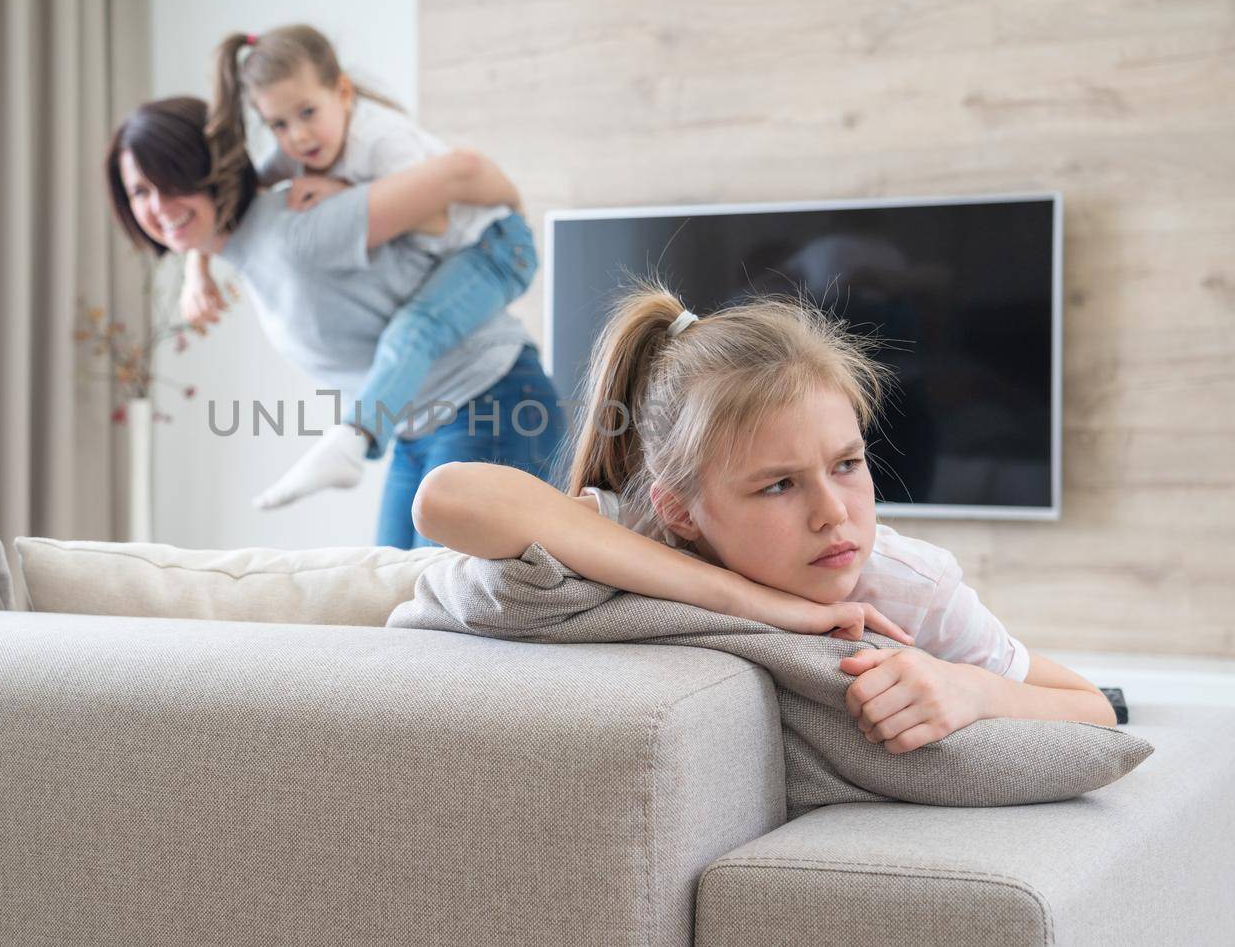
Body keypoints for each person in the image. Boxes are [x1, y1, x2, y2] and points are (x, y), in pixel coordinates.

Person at [412, 283, 1116, 753]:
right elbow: (444, 498)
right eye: (779, 484)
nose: (834, 512)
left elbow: (1095, 710)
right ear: (679, 511)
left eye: (846, 463)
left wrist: (977, 690)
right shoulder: (640, 532)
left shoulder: (907, 586)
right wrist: (758, 604)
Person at [105, 96, 564, 549]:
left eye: (172, 181)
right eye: (140, 192)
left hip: (491, 404)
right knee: (393, 604)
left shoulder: (301, 226)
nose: (159, 206)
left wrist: (513, 219)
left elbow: (460, 176)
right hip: (414, 425)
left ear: (211, 169)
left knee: (445, 611)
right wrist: (195, 264)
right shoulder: (251, 244)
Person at [180, 25, 538, 511]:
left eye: (308, 113)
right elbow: (231, 201)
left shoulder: (381, 142)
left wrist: (347, 194)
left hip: (493, 246)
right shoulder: (296, 151)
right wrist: (195, 269)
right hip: (423, 412)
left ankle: (353, 438)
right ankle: (358, 435)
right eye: (279, 125)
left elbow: (434, 221)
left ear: (342, 91)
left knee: (415, 328)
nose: (298, 135)